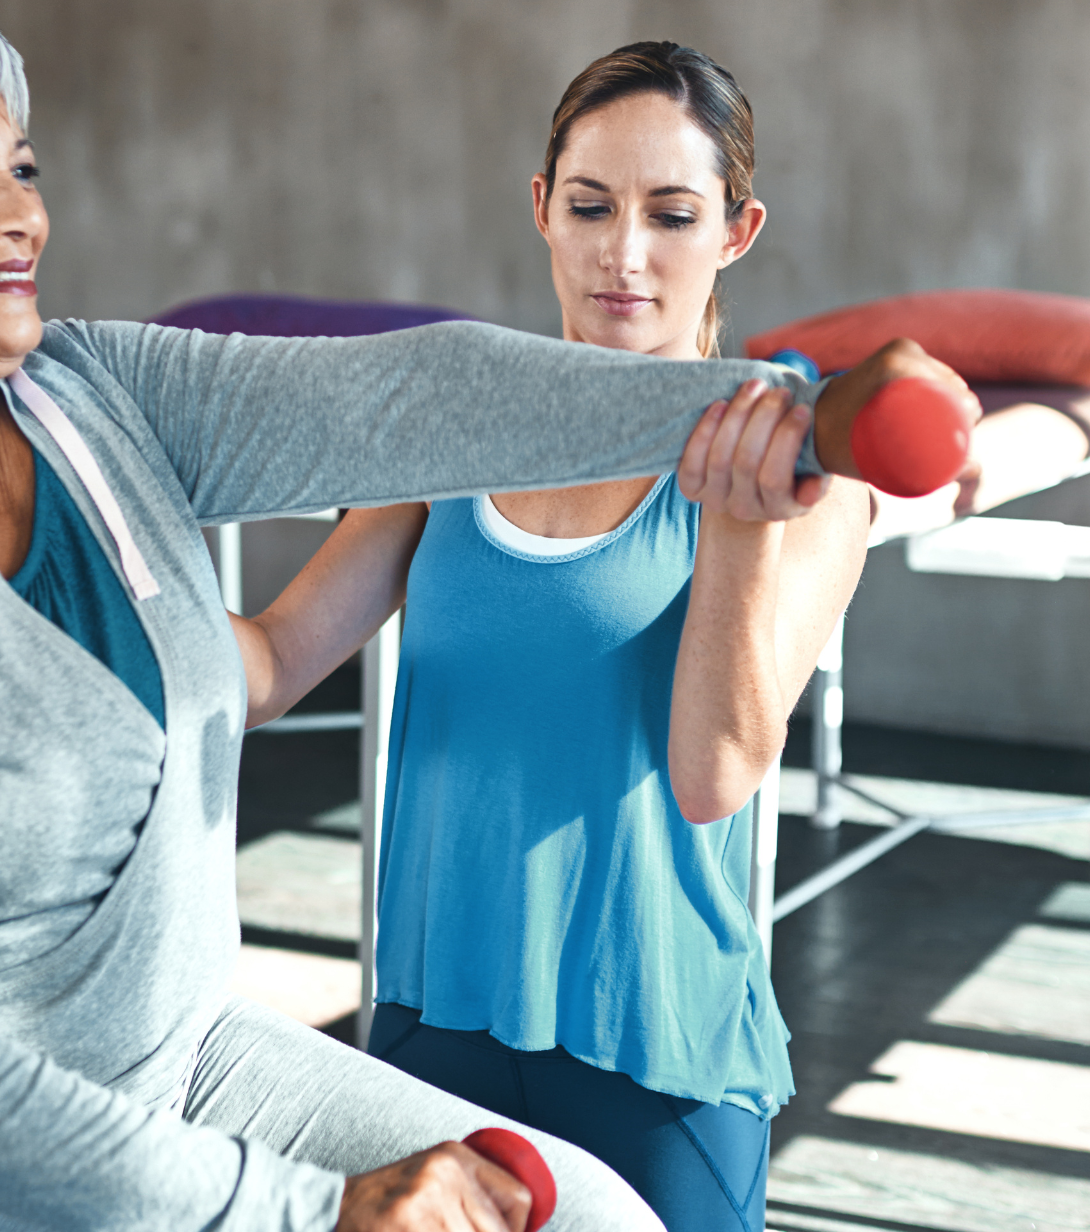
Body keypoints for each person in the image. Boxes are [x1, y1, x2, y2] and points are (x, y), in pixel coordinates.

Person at [0, 4, 968, 1231]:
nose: (21, 219)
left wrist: (790, 413)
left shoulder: (96, 392)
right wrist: (308, 1213)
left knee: (590, 1218)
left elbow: (413, 401)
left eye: (22, 169)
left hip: (176, 1055)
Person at [234, 43, 875, 1232]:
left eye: (671, 215)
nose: (622, 254)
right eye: (590, 206)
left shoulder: (815, 487)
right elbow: (269, 661)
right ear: (541, 209)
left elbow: (712, 774)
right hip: (430, 1030)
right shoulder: (455, 429)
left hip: (658, 1051)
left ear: (736, 231)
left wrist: (736, 531)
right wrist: (58, 608)